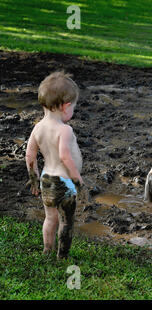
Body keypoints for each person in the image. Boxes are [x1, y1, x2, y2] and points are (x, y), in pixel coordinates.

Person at [25, 71, 83, 259]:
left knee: (50, 218)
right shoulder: (64, 130)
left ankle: (47, 249)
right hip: (65, 183)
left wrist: (33, 178)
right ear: (66, 107)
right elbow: (65, 157)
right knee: (66, 222)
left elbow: (29, 155)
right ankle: (62, 256)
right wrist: (77, 179)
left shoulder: (38, 128)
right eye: (73, 107)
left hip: (46, 180)